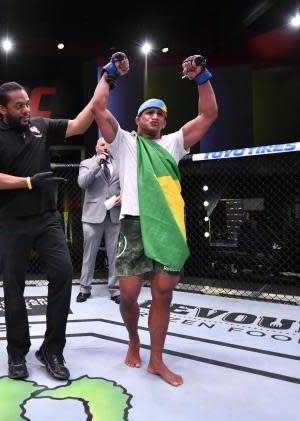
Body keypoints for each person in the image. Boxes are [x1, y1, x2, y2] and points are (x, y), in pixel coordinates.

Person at [91, 52, 218, 386]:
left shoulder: (174, 143)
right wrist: (109, 74)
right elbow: (99, 109)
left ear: (164, 120)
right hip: (133, 224)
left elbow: (208, 115)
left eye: (159, 114)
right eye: (148, 112)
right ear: (137, 120)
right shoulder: (124, 143)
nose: (155, 117)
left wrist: (201, 77)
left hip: (167, 227)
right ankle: (133, 339)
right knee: (130, 296)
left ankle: (157, 360)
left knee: (163, 295)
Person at [0, 81, 94, 381]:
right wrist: (27, 182)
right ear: (2, 109)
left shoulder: (40, 125)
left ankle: (52, 350)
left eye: (28, 103)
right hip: (11, 221)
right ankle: (17, 351)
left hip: (46, 218)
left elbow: (80, 124)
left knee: (64, 273)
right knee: (13, 285)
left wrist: (106, 81)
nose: (27, 109)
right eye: (19, 106)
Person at [77, 138, 121, 304]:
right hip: (92, 216)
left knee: (115, 256)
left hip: (114, 215)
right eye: (102, 144)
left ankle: (115, 290)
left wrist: (123, 197)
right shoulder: (87, 163)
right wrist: (97, 164)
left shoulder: (119, 164)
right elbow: (82, 183)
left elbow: (127, 185)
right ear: (96, 147)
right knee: (89, 255)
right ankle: (84, 289)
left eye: (109, 144)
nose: (106, 147)